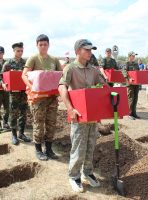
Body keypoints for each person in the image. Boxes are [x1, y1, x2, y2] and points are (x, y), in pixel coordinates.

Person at [59, 39, 106, 192]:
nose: (90, 52)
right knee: (78, 147)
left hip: (92, 114)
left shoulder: (93, 70)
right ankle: (74, 176)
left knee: (91, 145)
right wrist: (70, 109)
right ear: (78, 51)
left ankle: (87, 172)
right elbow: (62, 87)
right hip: (78, 115)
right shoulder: (70, 68)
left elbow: (103, 86)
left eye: (91, 50)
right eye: (87, 49)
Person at [22, 34, 62, 161]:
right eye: (40, 44)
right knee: (38, 123)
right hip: (38, 98)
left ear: (48, 45)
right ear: (37, 45)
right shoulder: (33, 58)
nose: (43, 47)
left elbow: (60, 75)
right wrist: (32, 87)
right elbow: (24, 75)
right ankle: (38, 150)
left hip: (52, 97)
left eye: (45, 44)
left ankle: (49, 149)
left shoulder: (54, 59)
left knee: (51, 123)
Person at [0, 42, 31, 145]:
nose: (20, 53)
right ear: (14, 51)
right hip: (13, 93)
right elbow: (0, 77)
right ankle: (14, 134)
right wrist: (3, 84)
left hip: (23, 92)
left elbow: (29, 75)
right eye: (18, 51)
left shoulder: (25, 63)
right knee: (13, 113)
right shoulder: (8, 63)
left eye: (22, 51)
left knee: (23, 113)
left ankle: (21, 133)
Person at [122, 51, 140, 120]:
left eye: (134, 56)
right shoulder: (126, 63)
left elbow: (137, 72)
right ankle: (129, 113)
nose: (134, 57)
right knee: (130, 98)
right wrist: (129, 78)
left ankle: (134, 113)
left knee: (135, 98)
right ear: (129, 56)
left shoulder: (136, 64)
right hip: (130, 84)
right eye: (132, 56)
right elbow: (124, 71)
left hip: (136, 83)